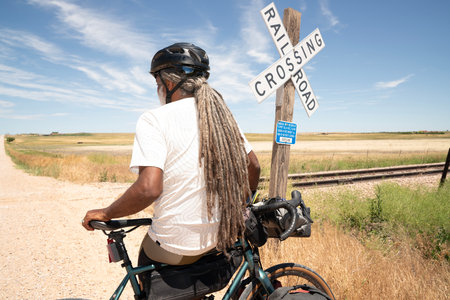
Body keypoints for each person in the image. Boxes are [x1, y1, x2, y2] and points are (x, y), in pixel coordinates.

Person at [82, 42, 260, 266]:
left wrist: (107, 213)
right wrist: (244, 204)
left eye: (157, 84)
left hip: (174, 245)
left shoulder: (154, 119)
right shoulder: (222, 118)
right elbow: (253, 167)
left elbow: (148, 188)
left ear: (167, 83)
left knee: (146, 257)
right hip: (218, 239)